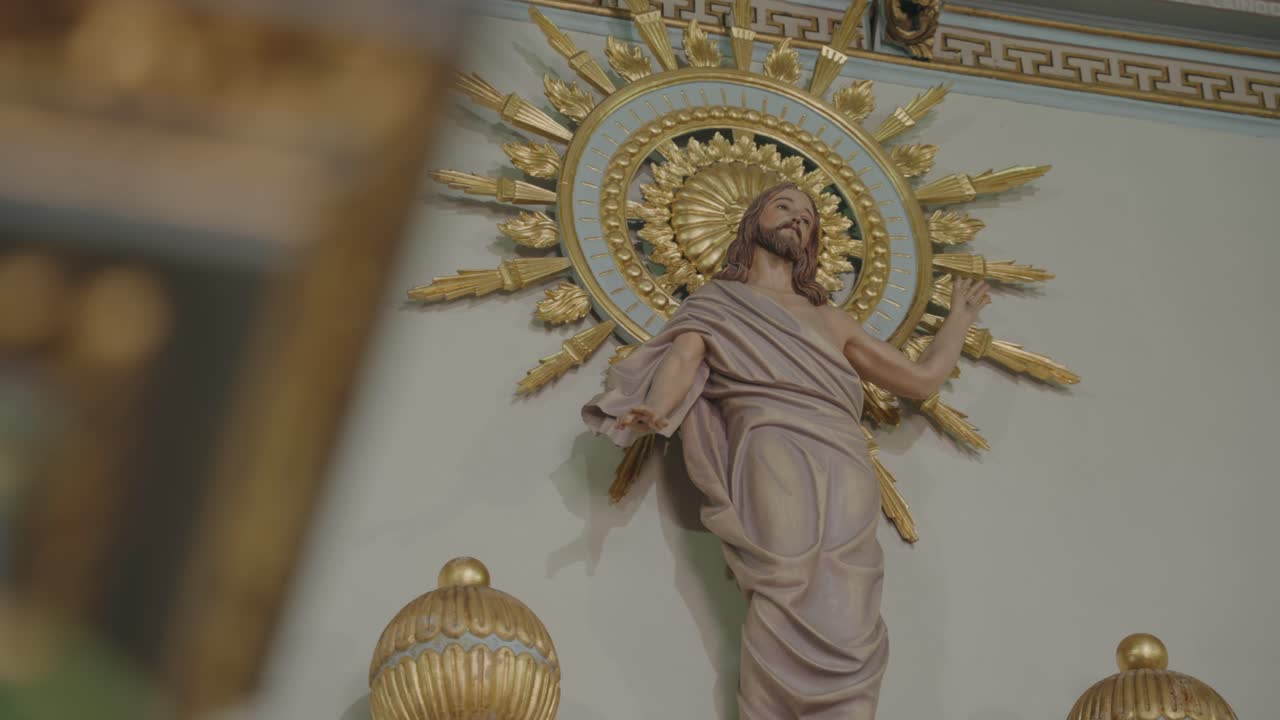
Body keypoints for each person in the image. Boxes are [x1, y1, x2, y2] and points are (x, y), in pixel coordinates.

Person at [583, 182, 990, 719]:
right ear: (751, 220)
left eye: (808, 218)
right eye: (785, 208)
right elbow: (683, 361)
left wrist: (959, 317)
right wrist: (658, 410)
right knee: (784, 575)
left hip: (843, 451)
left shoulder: (830, 319)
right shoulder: (717, 302)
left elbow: (918, 380)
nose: (798, 220)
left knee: (851, 585)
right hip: (769, 438)